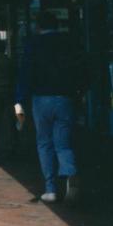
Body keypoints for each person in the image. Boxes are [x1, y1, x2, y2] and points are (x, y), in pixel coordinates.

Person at [14, 12, 82, 203]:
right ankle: (70, 171)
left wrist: (19, 99)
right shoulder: (69, 43)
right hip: (65, 97)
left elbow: (25, 74)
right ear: (57, 25)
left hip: (41, 98)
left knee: (44, 142)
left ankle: (50, 189)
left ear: (38, 27)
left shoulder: (33, 45)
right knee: (63, 142)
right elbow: (80, 68)